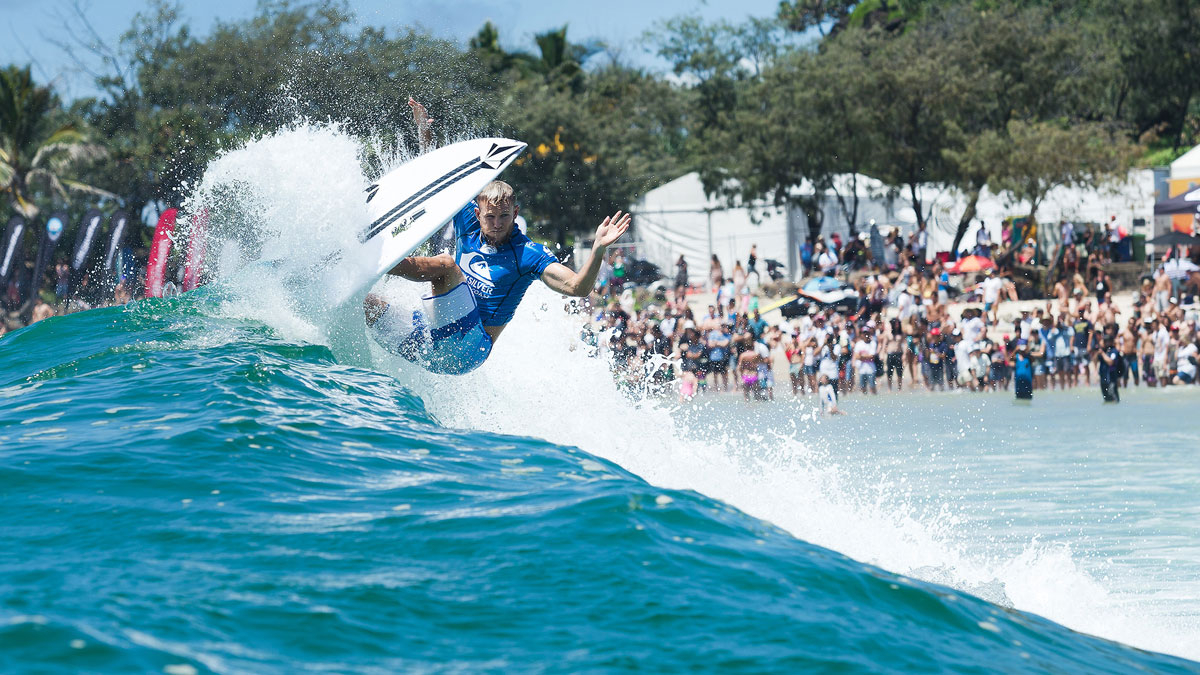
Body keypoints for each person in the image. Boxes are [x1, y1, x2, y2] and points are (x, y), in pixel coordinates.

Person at [364, 98, 631, 375]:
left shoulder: (528, 254)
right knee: (366, 306)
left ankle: (373, 262)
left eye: (504, 216)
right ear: (477, 213)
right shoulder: (466, 217)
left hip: (467, 350)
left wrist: (598, 248)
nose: (496, 223)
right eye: (489, 217)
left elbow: (577, 287)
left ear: (515, 212)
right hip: (431, 339)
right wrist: (424, 131)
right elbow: (441, 183)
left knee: (446, 265)